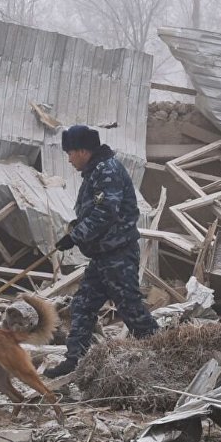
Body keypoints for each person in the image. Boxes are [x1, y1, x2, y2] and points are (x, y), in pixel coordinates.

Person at [44, 125, 160, 378]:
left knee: (130, 309)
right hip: (103, 256)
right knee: (82, 306)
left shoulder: (107, 170)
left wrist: (76, 236)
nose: (69, 159)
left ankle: (163, 355)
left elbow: (107, 211)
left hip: (118, 254)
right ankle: (75, 360)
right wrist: (75, 230)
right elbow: (94, 210)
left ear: (83, 151)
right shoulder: (95, 171)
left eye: (70, 153)